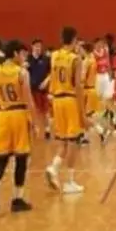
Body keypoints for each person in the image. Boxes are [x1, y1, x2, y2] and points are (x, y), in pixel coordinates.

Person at [0, 40, 37, 214]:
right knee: (21, 158)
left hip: (3, 114)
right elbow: (29, 99)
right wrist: (34, 122)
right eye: (22, 54)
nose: (24, 58)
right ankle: (17, 199)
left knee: (2, 157)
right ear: (15, 53)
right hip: (19, 114)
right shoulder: (21, 72)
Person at [44, 26, 87, 194]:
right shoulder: (76, 59)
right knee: (74, 141)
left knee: (63, 141)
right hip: (70, 100)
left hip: (57, 100)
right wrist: (82, 112)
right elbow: (78, 86)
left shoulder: (54, 56)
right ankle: (70, 182)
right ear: (75, 39)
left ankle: (53, 168)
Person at [27, 39, 51, 139]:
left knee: (45, 111)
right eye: (36, 46)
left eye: (40, 46)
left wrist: (46, 81)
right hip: (31, 90)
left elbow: (51, 73)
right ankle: (33, 129)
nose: (38, 48)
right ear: (32, 46)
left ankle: (47, 130)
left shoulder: (46, 59)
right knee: (32, 110)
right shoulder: (27, 59)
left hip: (43, 89)